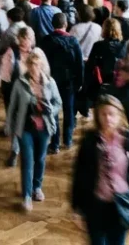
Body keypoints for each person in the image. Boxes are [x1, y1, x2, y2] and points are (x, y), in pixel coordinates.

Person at [71, 95, 129, 245]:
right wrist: (77, 208)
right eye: (103, 114)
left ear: (119, 115)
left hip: (122, 205)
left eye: (111, 114)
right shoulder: (89, 141)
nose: (108, 119)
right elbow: (79, 174)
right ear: (97, 116)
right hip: (96, 205)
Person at [5, 50, 61, 212]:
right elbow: (13, 106)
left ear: (42, 65)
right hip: (25, 127)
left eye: (37, 64)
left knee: (40, 158)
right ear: (27, 66)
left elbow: (58, 103)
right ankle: (27, 196)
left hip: (44, 127)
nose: (34, 68)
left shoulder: (50, 82)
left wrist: (50, 110)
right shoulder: (20, 83)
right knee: (28, 160)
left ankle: (37, 186)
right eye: (31, 64)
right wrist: (9, 125)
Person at [40, 12, 84, 153]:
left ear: (52, 25)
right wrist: (80, 81)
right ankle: (68, 139)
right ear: (65, 24)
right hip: (69, 81)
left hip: (52, 81)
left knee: (53, 110)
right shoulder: (73, 41)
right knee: (69, 110)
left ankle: (55, 143)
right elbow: (79, 64)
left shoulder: (46, 41)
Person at [84, 16, 125, 112]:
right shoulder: (123, 46)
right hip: (118, 83)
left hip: (100, 84)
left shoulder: (98, 45)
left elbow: (90, 66)